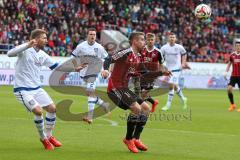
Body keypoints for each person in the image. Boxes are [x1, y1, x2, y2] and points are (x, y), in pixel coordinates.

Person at [102, 32, 171, 153]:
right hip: (115, 89)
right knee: (136, 108)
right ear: (134, 41)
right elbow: (109, 58)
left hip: (125, 89)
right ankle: (128, 139)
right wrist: (106, 70)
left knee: (146, 109)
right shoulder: (126, 53)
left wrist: (162, 73)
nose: (144, 42)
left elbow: (145, 73)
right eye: (142, 40)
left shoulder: (138, 57)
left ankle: (136, 138)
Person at [7, 29, 62, 150]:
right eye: (44, 38)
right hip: (22, 89)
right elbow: (9, 53)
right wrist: (27, 45)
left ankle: (49, 135)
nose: (46, 40)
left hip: (36, 88)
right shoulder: (25, 50)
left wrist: (75, 68)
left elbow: (57, 66)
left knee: (52, 108)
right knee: (38, 111)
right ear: (36, 39)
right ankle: (43, 138)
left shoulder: (42, 54)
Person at [71, 28, 110, 124]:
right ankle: (104, 104)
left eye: (94, 34)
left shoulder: (99, 47)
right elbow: (73, 56)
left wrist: (105, 70)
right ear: (87, 35)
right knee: (89, 94)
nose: (93, 36)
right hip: (83, 73)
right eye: (91, 34)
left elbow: (107, 58)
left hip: (94, 72)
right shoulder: (81, 46)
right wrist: (77, 67)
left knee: (90, 91)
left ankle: (90, 117)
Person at [161, 32, 190, 111]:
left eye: (173, 37)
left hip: (177, 70)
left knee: (171, 85)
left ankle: (168, 105)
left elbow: (184, 54)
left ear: (175, 39)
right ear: (168, 38)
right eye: (171, 37)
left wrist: (183, 63)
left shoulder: (179, 47)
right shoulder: (164, 48)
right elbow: (160, 57)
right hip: (169, 70)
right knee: (175, 86)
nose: (172, 39)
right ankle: (183, 98)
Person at [138, 33, 165, 113]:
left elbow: (161, 64)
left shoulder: (158, 52)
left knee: (143, 93)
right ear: (146, 40)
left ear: (154, 41)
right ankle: (153, 102)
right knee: (141, 93)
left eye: (152, 40)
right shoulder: (141, 50)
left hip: (151, 77)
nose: (150, 41)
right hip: (141, 75)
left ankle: (142, 110)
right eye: (148, 40)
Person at [224, 41, 240, 112]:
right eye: (237, 46)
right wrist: (226, 72)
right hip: (233, 75)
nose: (238, 47)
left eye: (239, 46)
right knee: (229, 89)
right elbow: (229, 63)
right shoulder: (232, 55)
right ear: (235, 47)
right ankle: (232, 105)